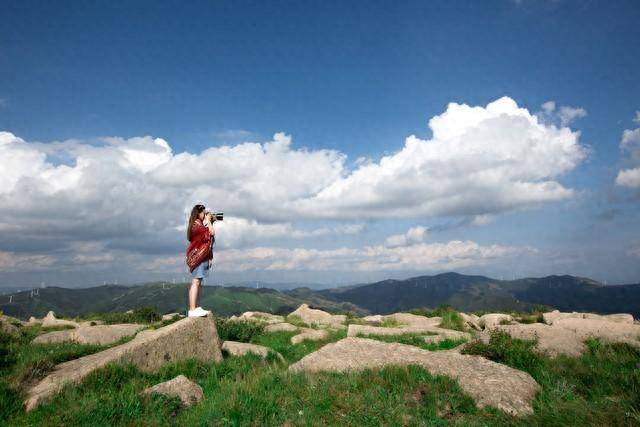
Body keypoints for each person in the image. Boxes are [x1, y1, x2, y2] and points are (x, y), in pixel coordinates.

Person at [185, 203, 216, 317]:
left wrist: (209, 222)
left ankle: (195, 307)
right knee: (196, 281)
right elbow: (210, 233)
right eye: (204, 213)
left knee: (198, 282)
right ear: (198, 213)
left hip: (201, 256)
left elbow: (208, 237)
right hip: (197, 257)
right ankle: (192, 309)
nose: (205, 215)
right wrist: (208, 221)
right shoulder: (196, 226)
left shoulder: (198, 225)